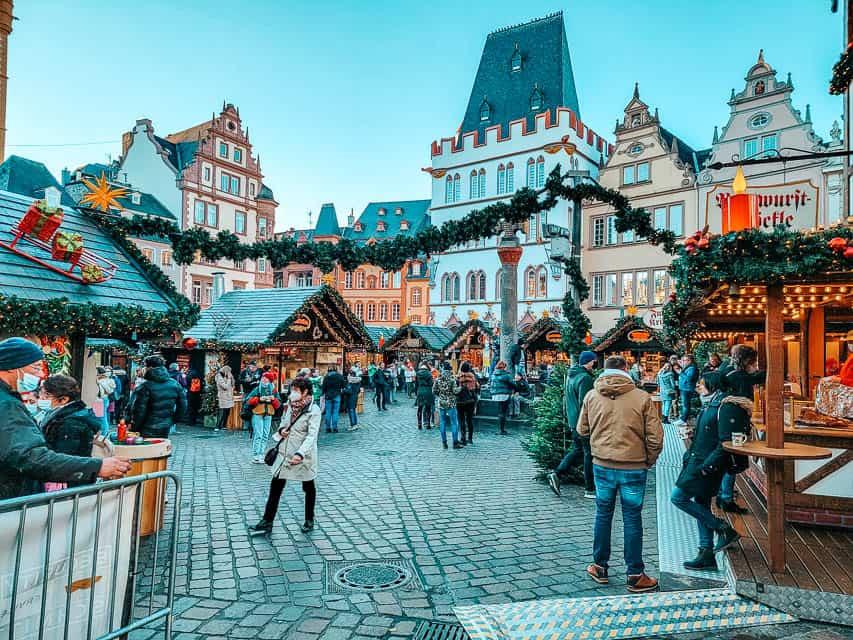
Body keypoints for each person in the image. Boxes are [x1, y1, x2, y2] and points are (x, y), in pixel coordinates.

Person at [0, 338, 132, 499]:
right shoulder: (6, 405)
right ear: (11, 368)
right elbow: (31, 457)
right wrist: (97, 467)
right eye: (35, 368)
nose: (40, 374)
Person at [577, 355, 663, 593]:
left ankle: (599, 566)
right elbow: (655, 437)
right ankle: (635, 574)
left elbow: (581, 429)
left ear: (604, 371)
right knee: (633, 518)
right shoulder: (642, 397)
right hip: (634, 466)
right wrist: (648, 459)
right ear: (626, 369)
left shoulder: (592, 395)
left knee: (603, 514)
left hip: (602, 465)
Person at [670, 372, 744, 569]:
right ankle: (706, 553)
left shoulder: (726, 406)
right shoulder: (714, 403)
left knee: (678, 497)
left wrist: (708, 466)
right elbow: (712, 432)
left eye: (701, 385)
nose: (698, 388)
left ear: (713, 385)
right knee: (701, 503)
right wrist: (695, 433)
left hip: (705, 465)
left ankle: (723, 528)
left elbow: (725, 441)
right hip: (699, 461)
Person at [250, 377, 320, 534]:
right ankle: (267, 521)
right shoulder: (290, 406)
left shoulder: (313, 410)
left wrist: (300, 453)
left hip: (302, 455)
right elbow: (282, 422)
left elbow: (312, 436)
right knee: (275, 486)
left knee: (308, 486)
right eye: (292, 389)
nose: (293, 392)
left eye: (296, 390)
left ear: (305, 392)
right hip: (285, 453)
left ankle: (309, 519)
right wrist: (282, 431)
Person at [715, 344, 764, 514]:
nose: (755, 364)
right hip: (734, 421)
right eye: (753, 361)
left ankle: (723, 494)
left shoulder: (728, 370)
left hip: (727, 419)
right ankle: (726, 498)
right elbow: (758, 377)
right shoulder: (741, 377)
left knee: (728, 458)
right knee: (733, 460)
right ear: (746, 361)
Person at [547, 351, 597, 498]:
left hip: (573, 420)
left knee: (578, 450)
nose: (595, 364)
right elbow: (586, 402)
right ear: (589, 362)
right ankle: (590, 489)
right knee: (589, 454)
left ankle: (557, 473)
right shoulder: (585, 378)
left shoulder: (571, 376)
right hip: (583, 423)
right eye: (594, 361)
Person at [39, 375, 102, 488]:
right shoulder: (57, 415)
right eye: (42, 393)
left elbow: (65, 455)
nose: (42, 398)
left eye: (47, 395)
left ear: (64, 399)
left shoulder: (71, 423)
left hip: (68, 480)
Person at [131, 355, 188, 438]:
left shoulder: (145, 386)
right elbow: (183, 406)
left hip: (146, 426)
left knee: (148, 449)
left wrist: (134, 428)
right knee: (160, 448)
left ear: (149, 367)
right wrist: (172, 420)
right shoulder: (174, 384)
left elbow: (139, 411)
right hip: (165, 425)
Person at [246, 372, 281, 463]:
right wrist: (259, 399)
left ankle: (261, 454)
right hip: (257, 413)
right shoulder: (257, 389)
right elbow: (248, 401)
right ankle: (255, 455)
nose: (264, 379)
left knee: (265, 435)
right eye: (263, 378)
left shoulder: (274, 391)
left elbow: (278, 405)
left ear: (270, 381)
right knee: (258, 434)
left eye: (266, 378)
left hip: (268, 414)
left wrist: (273, 399)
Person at [433, 363, 462, 449]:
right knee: (454, 423)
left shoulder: (438, 380)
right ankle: (455, 442)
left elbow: (434, 391)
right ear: (450, 370)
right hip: (451, 403)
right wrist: (460, 387)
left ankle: (444, 443)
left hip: (442, 403)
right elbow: (455, 391)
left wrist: (441, 395)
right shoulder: (452, 380)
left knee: (443, 422)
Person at [490, 361, 518, 435]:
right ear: (504, 367)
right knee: (503, 412)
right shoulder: (506, 375)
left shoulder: (493, 374)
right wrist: (515, 389)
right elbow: (513, 384)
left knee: (500, 411)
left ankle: (500, 428)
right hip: (504, 394)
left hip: (495, 395)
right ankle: (502, 429)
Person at [456, 361, 480, 445]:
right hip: (470, 401)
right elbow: (477, 387)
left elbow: (455, 390)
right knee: (469, 420)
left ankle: (463, 438)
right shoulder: (473, 377)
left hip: (460, 401)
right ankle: (470, 438)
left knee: (461, 419)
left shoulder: (458, 377)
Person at [321, 366, 346, 433]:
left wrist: (323, 394)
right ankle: (335, 428)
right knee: (335, 412)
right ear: (336, 370)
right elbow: (344, 385)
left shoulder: (326, 377)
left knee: (328, 412)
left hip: (328, 396)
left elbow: (323, 387)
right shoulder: (339, 376)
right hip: (337, 395)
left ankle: (328, 428)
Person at [678, 354, 699, 423]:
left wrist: (681, 373)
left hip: (687, 389)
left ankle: (683, 420)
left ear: (689, 361)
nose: (683, 362)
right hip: (684, 388)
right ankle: (684, 418)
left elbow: (689, 378)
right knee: (685, 404)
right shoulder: (688, 367)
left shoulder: (692, 368)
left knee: (686, 405)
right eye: (683, 360)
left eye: (685, 360)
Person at [95, 366, 116, 435]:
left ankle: (104, 433)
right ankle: (103, 432)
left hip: (101, 400)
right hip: (104, 399)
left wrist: (99, 382)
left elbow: (108, 390)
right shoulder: (108, 380)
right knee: (102, 417)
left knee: (102, 417)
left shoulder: (102, 380)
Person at [656, 359, 678, 424]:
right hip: (669, 391)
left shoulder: (659, 374)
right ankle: (665, 419)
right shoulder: (670, 374)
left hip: (662, 391)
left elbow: (657, 383)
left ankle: (663, 418)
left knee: (664, 405)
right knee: (668, 405)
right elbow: (673, 385)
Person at [215, 365, 235, 430]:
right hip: (223, 396)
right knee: (222, 411)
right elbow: (225, 386)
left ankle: (223, 425)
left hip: (229, 396)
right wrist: (229, 379)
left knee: (227, 411)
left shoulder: (227, 376)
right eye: (229, 371)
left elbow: (233, 384)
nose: (229, 373)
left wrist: (231, 378)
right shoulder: (219, 376)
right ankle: (217, 426)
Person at [415, 363, 434, 429]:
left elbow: (416, 384)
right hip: (428, 391)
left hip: (420, 391)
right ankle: (428, 424)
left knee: (420, 408)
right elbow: (431, 383)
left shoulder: (417, 373)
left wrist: (416, 393)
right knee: (428, 408)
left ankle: (419, 424)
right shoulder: (429, 373)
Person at [345, 367, 361, 431]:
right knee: (353, 410)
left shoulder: (350, 382)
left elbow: (349, 391)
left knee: (351, 411)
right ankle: (355, 424)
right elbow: (358, 390)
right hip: (355, 397)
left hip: (350, 398)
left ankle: (353, 424)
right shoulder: (358, 381)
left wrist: (343, 390)